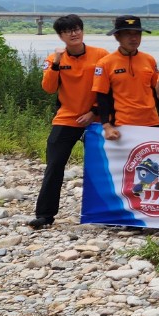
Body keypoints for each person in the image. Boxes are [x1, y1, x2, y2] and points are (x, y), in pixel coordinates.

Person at [30, 14, 109, 229]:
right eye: (67, 31)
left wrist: (94, 112)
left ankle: (110, 213)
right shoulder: (53, 59)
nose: (73, 34)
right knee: (54, 164)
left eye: (76, 29)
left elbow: (110, 87)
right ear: (60, 36)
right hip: (67, 117)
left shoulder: (101, 55)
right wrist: (56, 62)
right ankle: (44, 215)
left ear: (82, 30)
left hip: (98, 118)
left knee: (105, 166)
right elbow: (48, 88)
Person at [96, 15, 159, 141]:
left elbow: (157, 93)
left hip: (152, 123)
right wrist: (106, 126)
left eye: (137, 34)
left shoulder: (149, 60)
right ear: (117, 36)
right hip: (122, 125)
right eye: (128, 34)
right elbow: (102, 97)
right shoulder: (105, 63)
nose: (134, 38)